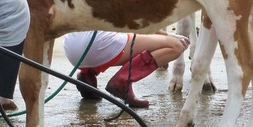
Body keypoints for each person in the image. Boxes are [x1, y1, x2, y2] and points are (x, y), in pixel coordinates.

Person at [62, 30, 190, 108]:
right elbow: (138, 21)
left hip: (70, 48)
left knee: (112, 34)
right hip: (98, 46)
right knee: (176, 46)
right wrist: (169, 35)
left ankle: (87, 75)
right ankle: (122, 81)